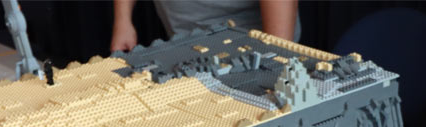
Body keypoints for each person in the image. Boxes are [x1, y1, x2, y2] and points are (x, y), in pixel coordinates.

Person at [111, 0, 299, 52]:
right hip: (183, 44)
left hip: (247, 49)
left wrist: (277, 55)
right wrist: (123, 20)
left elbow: (279, 45)